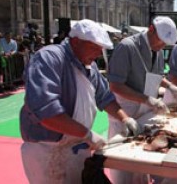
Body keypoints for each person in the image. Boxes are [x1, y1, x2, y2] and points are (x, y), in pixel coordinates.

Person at [19, 19, 141, 184]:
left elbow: (105, 98)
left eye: (101, 49)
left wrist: (125, 118)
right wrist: (87, 134)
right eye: (94, 48)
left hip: (76, 148)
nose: (98, 54)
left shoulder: (90, 67)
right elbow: (47, 113)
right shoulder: (49, 59)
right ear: (76, 41)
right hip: (46, 151)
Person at [107, 16, 177, 183]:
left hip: (144, 116)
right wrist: (147, 99)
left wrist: (171, 86)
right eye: (160, 41)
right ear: (151, 29)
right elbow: (115, 85)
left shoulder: (157, 51)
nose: (161, 46)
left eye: (166, 44)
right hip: (124, 117)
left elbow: (156, 76)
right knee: (124, 173)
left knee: (143, 169)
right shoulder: (126, 47)